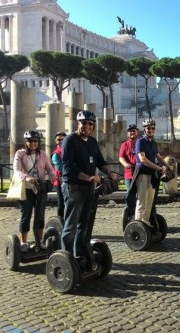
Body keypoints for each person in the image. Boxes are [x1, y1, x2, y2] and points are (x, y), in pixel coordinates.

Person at [61, 110, 118, 258]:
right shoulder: (69, 140)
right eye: (84, 123)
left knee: (85, 224)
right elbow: (68, 167)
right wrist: (89, 178)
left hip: (88, 189)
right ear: (78, 123)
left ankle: (79, 254)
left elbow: (100, 161)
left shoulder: (92, 141)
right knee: (71, 226)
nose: (87, 126)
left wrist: (109, 172)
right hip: (73, 188)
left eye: (90, 124)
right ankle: (66, 257)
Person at [13, 130, 56, 252]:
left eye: (35, 141)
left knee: (40, 216)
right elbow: (16, 170)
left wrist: (52, 175)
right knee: (25, 216)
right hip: (26, 189)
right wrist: (27, 177)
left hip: (40, 188)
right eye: (30, 141)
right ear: (26, 142)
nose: (33, 143)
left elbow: (49, 168)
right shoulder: (20, 154)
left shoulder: (42, 154)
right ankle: (24, 242)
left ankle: (40, 240)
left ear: (38, 142)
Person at [133, 118, 171, 227]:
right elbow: (143, 159)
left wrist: (168, 166)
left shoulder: (153, 142)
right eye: (148, 128)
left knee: (150, 201)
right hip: (143, 174)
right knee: (142, 201)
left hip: (152, 175)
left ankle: (146, 222)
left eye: (152, 128)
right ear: (144, 129)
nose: (150, 130)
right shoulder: (140, 142)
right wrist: (159, 168)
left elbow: (158, 156)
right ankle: (138, 224)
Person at [119, 124, 139, 213]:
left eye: (133, 130)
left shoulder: (141, 143)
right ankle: (131, 213)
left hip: (141, 174)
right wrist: (125, 164)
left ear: (137, 132)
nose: (132, 132)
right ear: (127, 133)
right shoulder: (125, 145)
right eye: (130, 131)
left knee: (142, 195)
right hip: (129, 174)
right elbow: (121, 157)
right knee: (130, 195)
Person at [51, 131, 66, 219]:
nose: (60, 141)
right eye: (58, 139)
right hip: (60, 180)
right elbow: (61, 168)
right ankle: (60, 221)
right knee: (61, 202)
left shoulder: (70, 150)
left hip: (69, 178)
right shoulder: (56, 154)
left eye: (62, 139)